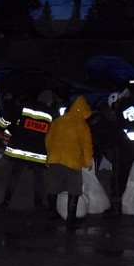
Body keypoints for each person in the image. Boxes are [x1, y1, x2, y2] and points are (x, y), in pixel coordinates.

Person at [0, 90, 55, 209]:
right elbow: (52, 133)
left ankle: (6, 201)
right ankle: (38, 205)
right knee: (38, 178)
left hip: (20, 150)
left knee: (15, 175)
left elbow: (8, 117)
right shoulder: (50, 114)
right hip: (38, 153)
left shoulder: (25, 107)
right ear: (48, 101)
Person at [45, 95, 93, 228]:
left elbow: (48, 138)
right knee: (74, 188)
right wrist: (88, 162)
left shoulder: (58, 121)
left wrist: (50, 155)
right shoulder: (82, 125)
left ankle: (52, 212)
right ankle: (71, 217)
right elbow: (86, 145)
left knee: (53, 185)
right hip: (72, 160)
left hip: (54, 158)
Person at [88, 89, 134, 216]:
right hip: (129, 149)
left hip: (121, 151)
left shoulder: (101, 122)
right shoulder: (111, 118)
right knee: (121, 178)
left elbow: (97, 140)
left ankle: (116, 209)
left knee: (117, 179)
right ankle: (118, 207)